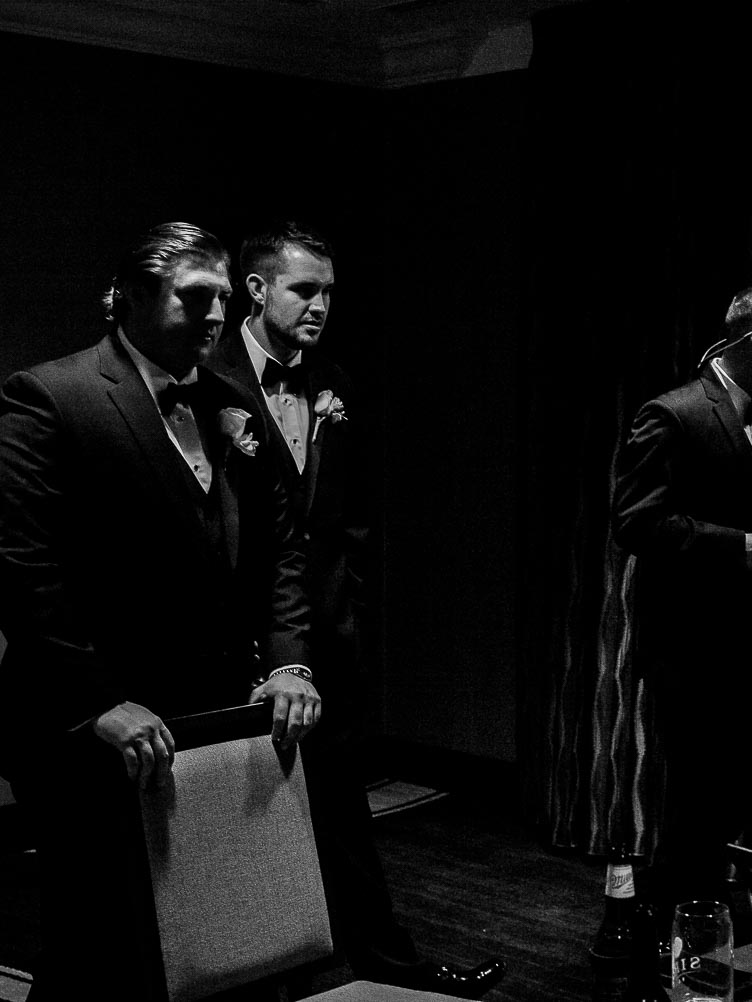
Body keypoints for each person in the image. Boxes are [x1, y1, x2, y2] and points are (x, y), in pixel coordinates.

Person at [0, 222, 319, 999]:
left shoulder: (229, 401)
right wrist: (98, 701)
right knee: (98, 946)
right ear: (131, 298)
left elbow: (281, 549)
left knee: (212, 937)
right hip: (91, 725)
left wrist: (286, 661)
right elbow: (23, 568)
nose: (216, 316)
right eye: (196, 297)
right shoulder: (51, 395)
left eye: (221, 299)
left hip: (212, 719)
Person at [207, 222, 503, 997]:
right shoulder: (204, 378)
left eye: (329, 292)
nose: (320, 305)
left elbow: (346, 522)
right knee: (234, 825)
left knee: (342, 813)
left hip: (329, 637)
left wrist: (348, 611)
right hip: (232, 646)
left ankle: (392, 968)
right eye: (305, 289)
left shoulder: (333, 379)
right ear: (257, 288)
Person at [613, 284, 752, 918]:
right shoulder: (673, 415)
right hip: (689, 650)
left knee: (735, 801)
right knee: (695, 807)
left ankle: (706, 942)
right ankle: (655, 945)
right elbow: (636, 523)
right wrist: (740, 548)